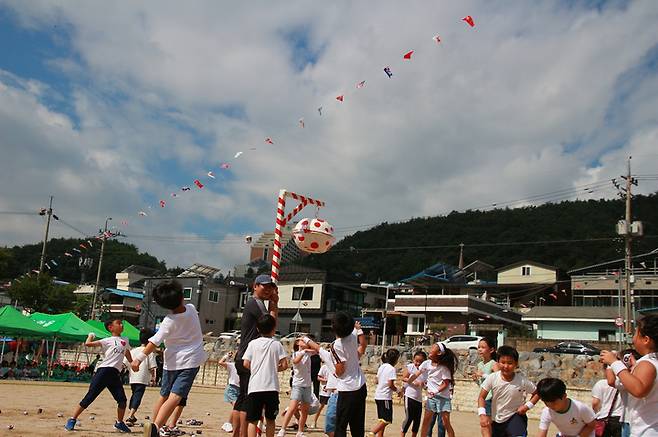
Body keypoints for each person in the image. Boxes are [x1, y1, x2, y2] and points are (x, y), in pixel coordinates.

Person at [130, 280, 208, 437]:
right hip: (190, 361)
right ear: (181, 297)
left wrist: (139, 358)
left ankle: (153, 424)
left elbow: (154, 341)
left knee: (163, 395)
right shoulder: (192, 309)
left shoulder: (168, 321)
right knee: (176, 396)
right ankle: (155, 427)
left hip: (170, 363)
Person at [64, 318, 133, 433]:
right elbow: (88, 344)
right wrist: (90, 336)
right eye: (119, 323)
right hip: (104, 371)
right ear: (111, 327)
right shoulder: (107, 340)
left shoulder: (125, 339)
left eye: (122, 323)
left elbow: (126, 351)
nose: (121, 325)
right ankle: (72, 419)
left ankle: (119, 423)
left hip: (115, 374)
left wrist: (132, 363)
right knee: (90, 397)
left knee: (122, 400)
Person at [234, 275, 279, 437]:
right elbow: (271, 324)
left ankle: (238, 434)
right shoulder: (255, 303)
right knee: (248, 402)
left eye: (270, 287)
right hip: (249, 357)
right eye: (264, 286)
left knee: (243, 399)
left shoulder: (255, 303)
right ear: (255, 286)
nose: (268, 290)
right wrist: (274, 305)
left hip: (245, 355)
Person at [601, 314, 658, 436]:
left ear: (646, 340)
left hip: (647, 431)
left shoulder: (648, 363)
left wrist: (614, 363)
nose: (633, 339)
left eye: (636, 334)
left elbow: (639, 390)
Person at [242, 314, 288, 437]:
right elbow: (284, 365)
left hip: (255, 386)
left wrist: (257, 368)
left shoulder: (252, 344)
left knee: (253, 420)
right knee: (271, 420)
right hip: (271, 387)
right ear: (274, 328)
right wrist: (272, 368)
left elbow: (246, 363)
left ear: (258, 329)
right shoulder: (277, 344)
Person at [478, 345, 539, 437]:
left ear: (516, 364)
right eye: (503, 362)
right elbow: (481, 397)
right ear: (498, 362)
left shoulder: (522, 381)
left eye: (510, 363)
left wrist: (527, 406)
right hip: (497, 420)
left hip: (516, 417)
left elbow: (537, 393)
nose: (506, 366)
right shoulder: (492, 378)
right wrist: (482, 415)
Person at [407, 343, 458, 437]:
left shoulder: (444, 368)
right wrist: (406, 385)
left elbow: (446, 384)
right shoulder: (426, 364)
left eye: (433, 348)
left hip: (443, 399)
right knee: (426, 422)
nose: (430, 349)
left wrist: (435, 391)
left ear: (439, 353)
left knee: (445, 423)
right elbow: (416, 374)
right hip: (431, 399)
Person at [278, 338, 316, 437]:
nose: (304, 342)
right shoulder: (296, 354)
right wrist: (304, 351)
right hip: (298, 385)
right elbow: (295, 361)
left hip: (307, 385)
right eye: (302, 340)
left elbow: (317, 350)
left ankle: (300, 431)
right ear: (298, 343)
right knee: (292, 408)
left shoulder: (308, 353)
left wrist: (308, 348)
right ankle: (282, 429)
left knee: (305, 410)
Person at [125, 329, 157, 426]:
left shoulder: (133, 351)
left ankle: (131, 414)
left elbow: (126, 363)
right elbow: (152, 367)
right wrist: (153, 378)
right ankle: (130, 415)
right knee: (138, 395)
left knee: (134, 394)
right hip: (142, 378)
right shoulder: (149, 352)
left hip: (133, 377)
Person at [372, 349, 402, 437]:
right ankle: (372, 433)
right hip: (385, 397)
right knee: (387, 419)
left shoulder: (382, 366)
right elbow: (390, 384)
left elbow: (376, 380)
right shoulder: (391, 369)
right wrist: (398, 391)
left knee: (381, 419)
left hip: (378, 396)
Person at [474, 338, 498, 437]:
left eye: (483, 347)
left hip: (490, 398)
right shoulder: (480, 364)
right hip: (482, 398)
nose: (480, 349)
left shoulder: (494, 364)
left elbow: (497, 380)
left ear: (491, 350)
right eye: (479, 347)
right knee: (484, 425)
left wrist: (483, 375)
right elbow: (481, 384)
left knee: (487, 425)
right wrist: (476, 379)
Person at [401, 350, 427, 437]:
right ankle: (402, 434)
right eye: (416, 361)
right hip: (409, 395)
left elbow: (425, 384)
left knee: (417, 419)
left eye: (421, 362)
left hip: (418, 398)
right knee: (409, 418)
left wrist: (423, 385)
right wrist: (413, 382)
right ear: (413, 360)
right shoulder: (410, 367)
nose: (418, 363)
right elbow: (404, 378)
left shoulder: (425, 371)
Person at [592, 365, 623, 437]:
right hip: (620, 418)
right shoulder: (622, 383)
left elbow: (595, 402)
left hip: (604, 418)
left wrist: (596, 412)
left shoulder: (601, 383)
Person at [219, 352, 241, 433]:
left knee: (238, 407)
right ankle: (228, 423)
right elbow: (220, 362)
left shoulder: (246, 366)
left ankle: (231, 423)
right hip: (232, 388)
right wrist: (226, 356)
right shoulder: (232, 365)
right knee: (237, 406)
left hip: (240, 389)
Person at [313, 362, 330, 429]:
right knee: (320, 407)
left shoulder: (334, 366)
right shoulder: (324, 367)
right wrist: (325, 380)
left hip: (332, 391)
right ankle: (314, 421)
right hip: (324, 391)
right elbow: (318, 378)